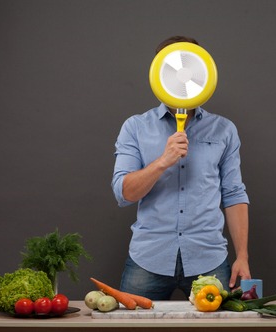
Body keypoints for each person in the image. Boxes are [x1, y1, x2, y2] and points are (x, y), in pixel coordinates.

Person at [112, 36, 251, 300]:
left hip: (208, 259)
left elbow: (234, 195)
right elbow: (124, 193)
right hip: (148, 260)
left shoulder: (224, 129)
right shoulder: (135, 127)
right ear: (158, 74)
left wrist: (242, 256)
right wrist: (163, 161)